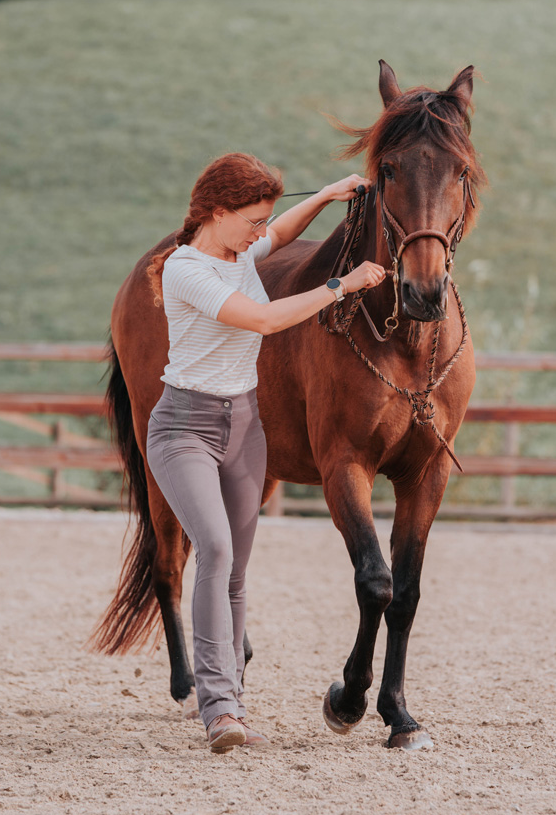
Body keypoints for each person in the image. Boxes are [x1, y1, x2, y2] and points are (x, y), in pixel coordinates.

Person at [145, 152, 386, 753]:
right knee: (216, 548)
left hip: (247, 428)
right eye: (251, 221)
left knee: (235, 573)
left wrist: (328, 195)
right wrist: (341, 285)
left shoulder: (238, 250)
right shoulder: (185, 268)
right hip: (185, 428)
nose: (262, 234)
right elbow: (260, 319)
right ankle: (218, 709)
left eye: (262, 223)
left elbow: (281, 233)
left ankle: (233, 706)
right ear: (216, 212)